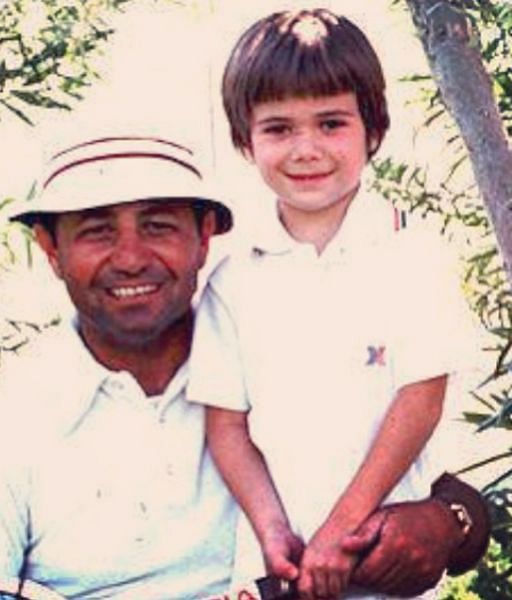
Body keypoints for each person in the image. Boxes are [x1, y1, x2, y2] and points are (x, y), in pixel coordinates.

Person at [0, 135, 488, 599]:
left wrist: (443, 524)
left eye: (159, 225)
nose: (132, 257)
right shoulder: (0, 423)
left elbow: (457, 499)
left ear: (205, 237)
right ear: (50, 248)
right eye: (96, 230)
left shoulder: (278, 353)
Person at [187, 9, 477, 599]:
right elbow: (227, 426)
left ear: (372, 129)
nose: (306, 149)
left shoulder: (412, 251)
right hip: (279, 579)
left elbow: (419, 401)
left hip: (382, 567)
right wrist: (274, 533)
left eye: (330, 123)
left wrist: (342, 529)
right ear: (245, 140)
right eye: (278, 129)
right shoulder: (233, 278)